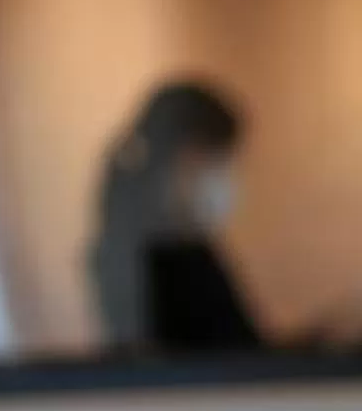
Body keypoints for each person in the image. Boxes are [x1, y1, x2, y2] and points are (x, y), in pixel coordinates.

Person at [88, 80, 261, 352]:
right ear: (179, 154)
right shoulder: (159, 256)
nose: (223, 175)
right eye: (214, 158)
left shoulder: (185, 249)